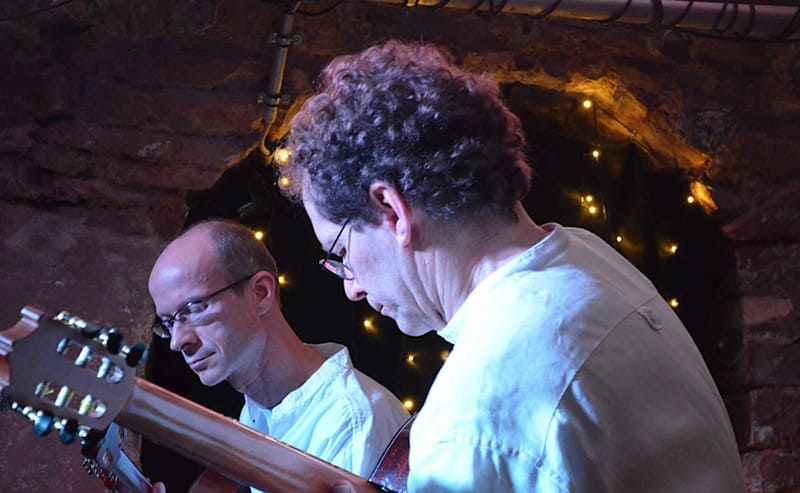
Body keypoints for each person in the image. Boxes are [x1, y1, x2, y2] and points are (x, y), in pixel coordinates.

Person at [279, 40, 747, 492]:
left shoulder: (470, 424)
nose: (352, 289)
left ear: (392, 210)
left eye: (341, 252)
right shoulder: (590, 259)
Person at [147, 219, 410, 492]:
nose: (177, 341)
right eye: (168, 323)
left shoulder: (350, 424)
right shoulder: (257, 411)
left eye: (194, 308)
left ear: (261, 293)